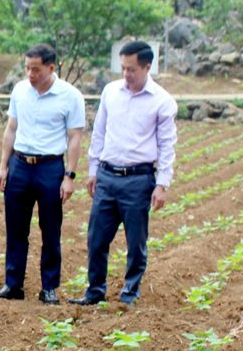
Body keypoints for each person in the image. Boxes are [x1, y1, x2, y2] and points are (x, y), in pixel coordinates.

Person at [70, 40, 177, 307]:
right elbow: (99, 132)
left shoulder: (162, 101)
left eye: (132, 69)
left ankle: (130, 292)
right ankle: (95, 290)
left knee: (135, 241)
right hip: (107, 175)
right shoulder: (111, 92)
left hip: (139, 179)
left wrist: (162, 184)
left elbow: (167, 145)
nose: (126, 74)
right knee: (96, 238)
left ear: (147, 67)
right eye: (123, 68)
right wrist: (93, 170)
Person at [0, 44, 86, 305]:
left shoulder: (70, 96)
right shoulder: (20, 91)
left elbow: (75, 137)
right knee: (15, 229)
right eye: (27, 69)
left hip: (50, 168)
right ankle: (13, 285)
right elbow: (11, 129)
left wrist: (69, 176)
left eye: (36, 70)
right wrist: (3, 166)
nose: (30, 75)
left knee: (50, 230)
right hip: (20, 165)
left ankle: (49, 287)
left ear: (51, 68)